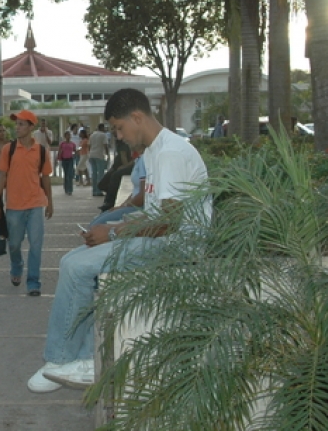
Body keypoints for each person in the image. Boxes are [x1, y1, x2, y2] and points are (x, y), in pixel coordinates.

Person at [27, 88, 211, 393]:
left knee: (77, 267)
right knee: (73, 260)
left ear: (137, 117)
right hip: (165, 238)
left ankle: (73, 360)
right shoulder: (156, 151)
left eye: (119, 127)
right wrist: (116, 225)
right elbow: (157, 213)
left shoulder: (170, 153)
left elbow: (169, 222)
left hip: (178, 246)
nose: (118, 135)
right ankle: (74, 358)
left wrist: (113, 232)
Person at [0, 110, 53, 296]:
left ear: (31, 127)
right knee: (14, 244)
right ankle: (16, 265)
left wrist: (50, 202)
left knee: (36, 244)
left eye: (21, 124)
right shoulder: (8, 150)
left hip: (35, 203)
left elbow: (46, 178)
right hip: (14, 206)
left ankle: (33, 282)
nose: (16, 128)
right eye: (16, 124)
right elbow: (2, 176)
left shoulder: (41, 151)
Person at [97, 138, 133, 211]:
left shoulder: (122, 146)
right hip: (115, 167)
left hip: (117, 168)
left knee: (112, 180)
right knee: (102, 185)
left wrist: (124, 166)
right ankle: (110, 197)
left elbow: (124, 157)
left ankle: (109, 202)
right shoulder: (119, 145)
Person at [88, 123, 109, 196]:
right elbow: (105, 145)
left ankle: (94, 190)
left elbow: (89, 145)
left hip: (92, 155)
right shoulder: (103, 135)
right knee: (100, 173)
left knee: (94, 173)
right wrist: (107, 154)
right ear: (102, 128)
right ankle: (99, 190)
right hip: (99, 155)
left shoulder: (92, 135)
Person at [56, 131, 77, 196]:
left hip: (70, 160)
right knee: (66, 174)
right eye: (67, 135)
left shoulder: (73, 144)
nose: (68, 137)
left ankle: (70, 189)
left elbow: (75, 151)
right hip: (64, 160)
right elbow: (59, 151)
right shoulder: (62, 144)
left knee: (70, 174)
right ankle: (66, 188)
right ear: (65, 136)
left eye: (69, 135)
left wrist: (75, 155)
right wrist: (58, 158)